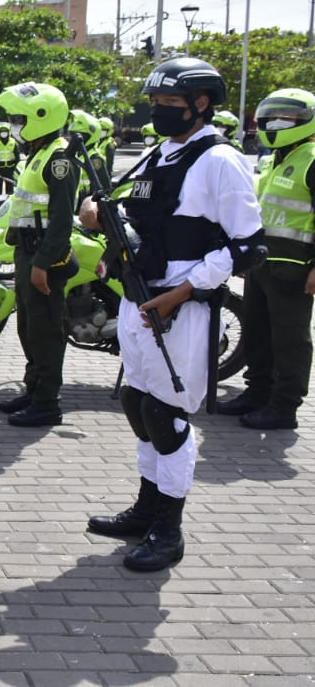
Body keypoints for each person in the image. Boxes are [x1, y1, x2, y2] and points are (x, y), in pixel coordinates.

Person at [82, 58, 263, 571]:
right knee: (138, 400)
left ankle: (169, 527)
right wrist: (104, 228)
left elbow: (248, 247)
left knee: (167, 412)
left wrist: (183, 292)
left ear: (201, 104)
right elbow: (134, 217)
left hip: (178, 308)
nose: (158, 113)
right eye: (156, 103)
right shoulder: (160, 154)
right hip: (138, 294)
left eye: (169, 105)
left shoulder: (220, 161)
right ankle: (146, 506)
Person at [217, 88, 315, 431]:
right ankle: (257, 393)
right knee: (257, 333)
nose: (275, 123)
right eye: (270, 117)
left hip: (296, 268)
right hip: (263, 266)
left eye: (285, 117)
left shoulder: (312, 159)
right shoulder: (274, 158)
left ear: (305, 120)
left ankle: (284, 407)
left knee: (290, 339)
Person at [0, 82, 80, 427]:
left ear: (41, 117)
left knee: (45, 332)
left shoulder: (59, 160)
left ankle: (47, 401)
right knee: (28, 328)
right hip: (26, 251)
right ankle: (33, 390)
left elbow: (62, 221)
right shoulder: (38, 154)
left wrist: (43, 264)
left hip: (44, 257)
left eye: (19, 118)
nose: (14, 124)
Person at [0, 121, 20, 195]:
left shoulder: (13, 142)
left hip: (10, 169)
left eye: (5, 132)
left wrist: (15, 167)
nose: (3, 133)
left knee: (10, 189)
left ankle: (9, 204)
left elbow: (17, 156)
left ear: (8, 132)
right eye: (2, 132)